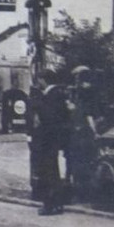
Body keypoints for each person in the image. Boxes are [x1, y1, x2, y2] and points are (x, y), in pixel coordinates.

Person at [30, 75, 70, 214]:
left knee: (47, 173)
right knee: (54, 172)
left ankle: (49, 205)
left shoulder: (50, 96)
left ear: (43, 80)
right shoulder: (59, 94)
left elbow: (48, 118)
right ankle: (57, 204)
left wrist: (38, 109)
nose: (38, 83)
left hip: (47, 140)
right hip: (54, 140)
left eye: (39, 80)